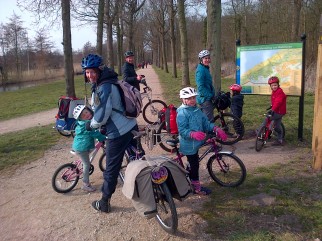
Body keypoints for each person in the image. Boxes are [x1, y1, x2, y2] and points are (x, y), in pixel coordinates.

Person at [81, 53, 138, 213]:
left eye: (92, 71)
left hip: (118, 133)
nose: (89, 75)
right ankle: (149, 186)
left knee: (111, 169)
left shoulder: (103, 87)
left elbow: (101, 115)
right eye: (86, 72)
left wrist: (90, 125)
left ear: (99, 70)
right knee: (138, 157)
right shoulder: (110, 80)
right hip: (131, 125)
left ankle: (104, 202)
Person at [176, 87, 227, 195]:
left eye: (193, 97)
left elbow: (206, 123)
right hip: (189, 143)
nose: (192, 100)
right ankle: (196, 188)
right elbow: (182, 130)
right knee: (195, 165)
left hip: (197, 141)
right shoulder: (182, 113)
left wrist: (215, 128)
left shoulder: (197, 109)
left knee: (194, 161)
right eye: (189, 98)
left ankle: (189, 169)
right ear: (183, 100)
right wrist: (192, 134)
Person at [72, 105, 106, 192]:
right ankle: (85, 184)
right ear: (80, 118)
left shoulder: (82, 123)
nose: (86, 114)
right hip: (82, 148)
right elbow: (94, 134)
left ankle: (82, 165)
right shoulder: (87, 125)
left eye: (87, 112)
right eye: (83, 115)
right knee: (87, 164)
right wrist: (104, 138)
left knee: (90, 152)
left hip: (80, 146)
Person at [195, 50, 216, 122]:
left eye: (208, 58)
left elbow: (208, 84)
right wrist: (210, 95)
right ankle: (208, 133)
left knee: (204, 119)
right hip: (204, 99)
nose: (207, 60)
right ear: (201, 60)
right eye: (205, 58)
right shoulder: (201, 70)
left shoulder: (205, 68)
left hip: (207, 97)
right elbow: (200, 87)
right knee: (209, 120)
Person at [267, 76, 287, 146]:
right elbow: (274, 101)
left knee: (268, 117)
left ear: (278, 85)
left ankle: (261, 131)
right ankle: (279, 138)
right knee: (277, 126)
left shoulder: (279, 92)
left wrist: (273, 109)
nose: (274, 87)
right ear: (270, 86)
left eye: (275, 85)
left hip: (279, 111)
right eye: (272, 86)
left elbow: (278, 102)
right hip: (276, 110)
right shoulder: (274, 92)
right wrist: (272, 106)